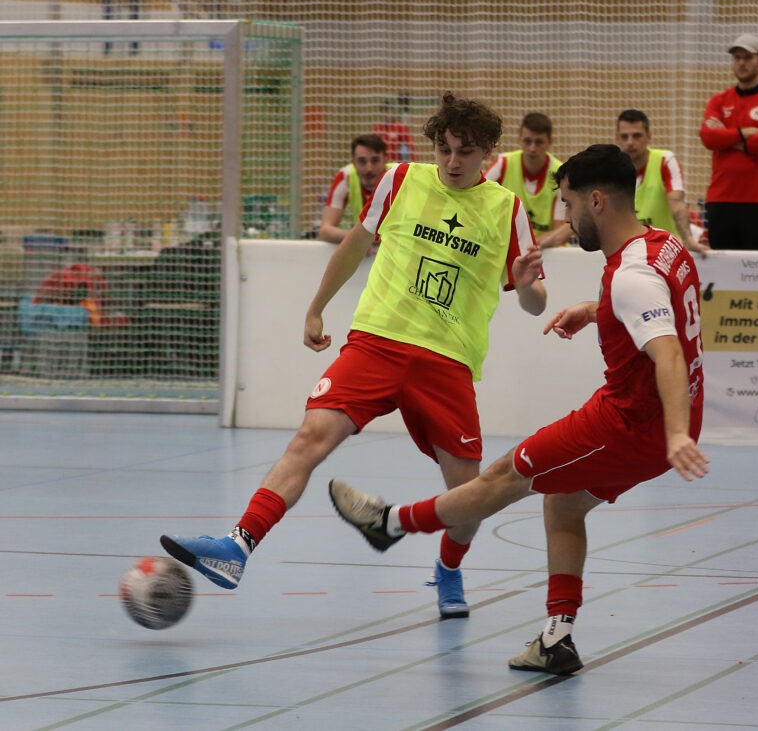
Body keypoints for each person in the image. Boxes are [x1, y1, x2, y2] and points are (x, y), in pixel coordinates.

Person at [161, 92, 548, 620]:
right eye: (444, 149)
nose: (453, 161)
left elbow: (534, 302)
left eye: (465, 152)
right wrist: (316, 307)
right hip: (376, 342)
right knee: (309, 438)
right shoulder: (400, 180)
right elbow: (351, 246)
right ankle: (238, 546)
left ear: (488, 153)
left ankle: (449, 568)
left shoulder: (507, 209)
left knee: (468, 493)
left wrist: (526, 285)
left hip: (447, 359)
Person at [328, 144, 709, 675]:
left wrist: (674, 434)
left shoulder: (630, 275)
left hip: (631, 423)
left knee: (508, 475)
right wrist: (596, 312)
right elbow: (661, 310)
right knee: (563, 504)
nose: (566, 219)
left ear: (597, 201)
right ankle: (557, 638)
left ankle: (390, 523)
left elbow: (666, 351)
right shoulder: (663, 245)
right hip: (664, 417)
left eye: (569, 204)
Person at [699, 33, 758, 250]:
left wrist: (727, 136)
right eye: (737, 57)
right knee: (721, 265)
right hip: (720, 200)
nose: (741, 63)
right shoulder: (719, 101)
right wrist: (744, 132)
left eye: (748, 57)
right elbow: (708, 137)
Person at [616, 109, 707, 256]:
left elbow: (677, 203)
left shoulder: (665, 161)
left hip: (666, 251)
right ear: (617, 138)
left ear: (649, 136)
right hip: (628, 252)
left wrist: (688, 239)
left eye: (637, 136)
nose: (630, 142)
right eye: (624, 137)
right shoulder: (611, 169)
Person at [485, 112, 574, 249]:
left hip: (547, 250)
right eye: (527, 141)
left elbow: (561, 229)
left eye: (539, 142)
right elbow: (477, 198)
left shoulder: (560, 174)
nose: (532, 148)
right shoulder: (503, 164)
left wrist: (531, 245)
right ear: (519, 139)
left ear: (550, 141)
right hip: (507, 246)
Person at [319, 134, 392, 245]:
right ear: (353, 162)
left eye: (375, 161)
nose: (369, 168)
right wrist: (358, 240)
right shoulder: (345, 177)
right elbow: (325, 231)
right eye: (362, 161)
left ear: (385, 160)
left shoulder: (399, 178)